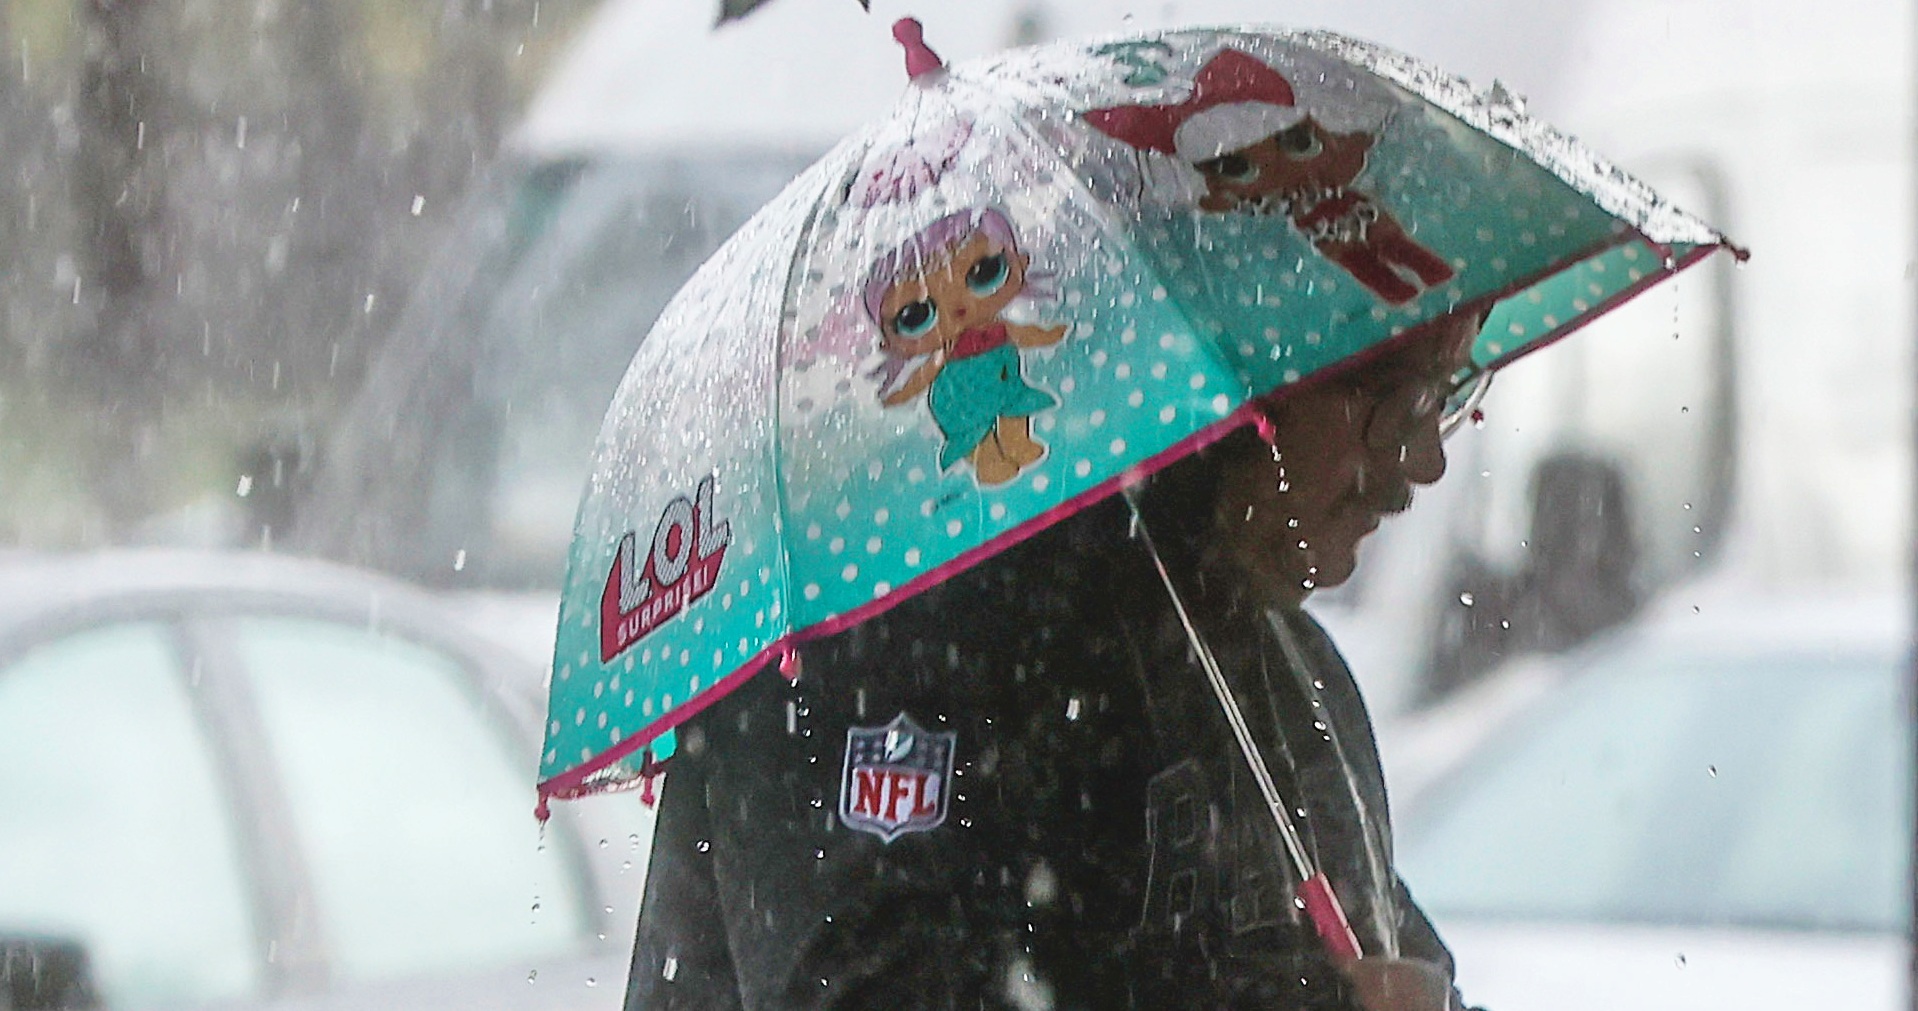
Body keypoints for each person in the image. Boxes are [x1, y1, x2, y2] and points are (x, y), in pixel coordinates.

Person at [622, 308, 1486, 1011]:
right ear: (1239, 368)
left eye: (1442, 395)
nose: (1423, 461)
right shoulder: (884, 657)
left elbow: (1387, 954)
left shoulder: (1293, 679)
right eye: (1390, 400)